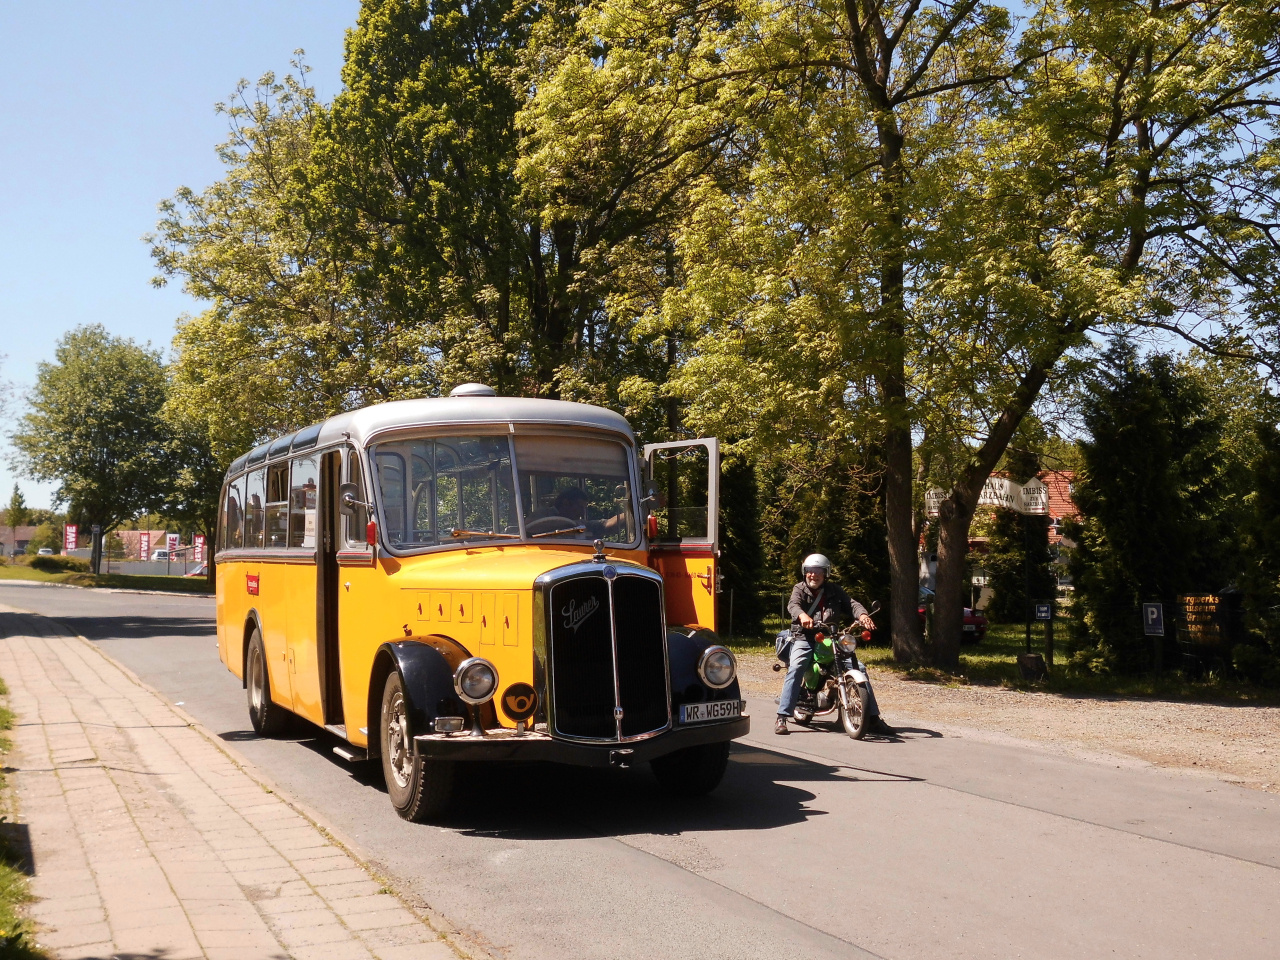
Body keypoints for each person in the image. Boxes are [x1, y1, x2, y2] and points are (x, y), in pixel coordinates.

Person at [775, 553, 893, 736]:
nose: (813, 575)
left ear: (826, 573)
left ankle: (873, 718)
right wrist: (802, 616)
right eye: (809, 571)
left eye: (818, 571)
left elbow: (851, 604)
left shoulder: (834, 590)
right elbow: (793, 605)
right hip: (805, 637)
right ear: (804, 572)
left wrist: (862, 615)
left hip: (830, 637)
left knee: (859, 668)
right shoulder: (799, 589)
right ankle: (782, 716)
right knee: (797, 666)